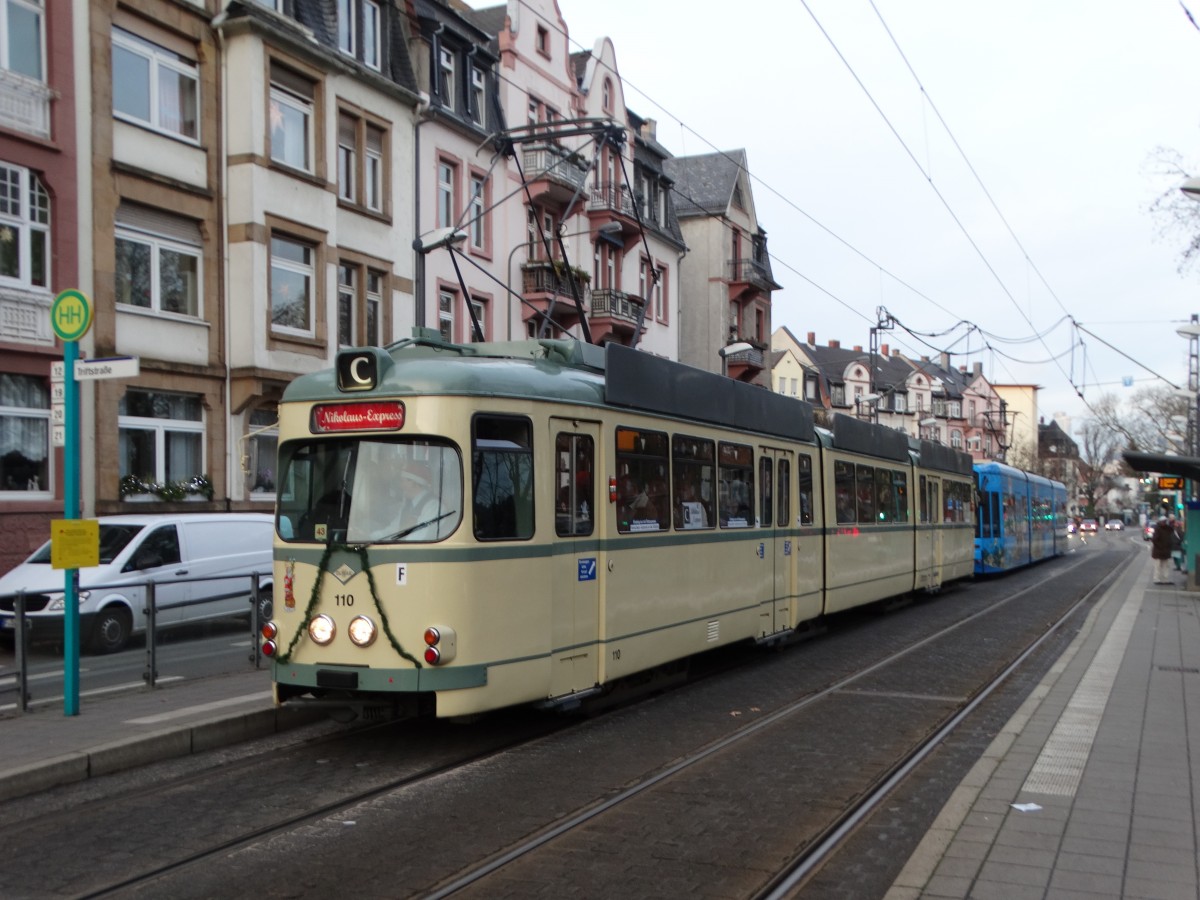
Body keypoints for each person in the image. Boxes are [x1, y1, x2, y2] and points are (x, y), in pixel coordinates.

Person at [1150, 516, 1175, 584]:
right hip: (1159, 551)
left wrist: (1172, 522)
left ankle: (1165, 579)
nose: (1164, 523)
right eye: (1163, 521)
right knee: (1157, 566)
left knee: (1165, 565)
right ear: (1160, 522)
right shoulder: (1157, 529)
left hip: (1164, 550)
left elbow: (1172, 530)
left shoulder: (1168, 529)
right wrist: (1161, 546)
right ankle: (1157, 579)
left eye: (1165, 521)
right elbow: (1154, 540)